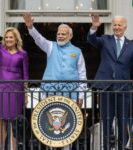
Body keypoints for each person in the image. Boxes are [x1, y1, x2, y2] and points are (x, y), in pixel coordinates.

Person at [23, 12, 87, 150]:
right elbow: (39, 39)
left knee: (68, 124)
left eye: (63, 34)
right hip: (50, 92)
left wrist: (81, 95)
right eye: (58, 33)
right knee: (49, 125)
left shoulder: (77, 51)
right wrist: (30, 27)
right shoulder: (50, 46)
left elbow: (82, 74)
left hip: (70, 94)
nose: (60, 36)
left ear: (70, 36)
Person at [87, 14, 133, 150]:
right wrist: (94, 28)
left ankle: (121, 147)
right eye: (114, 24)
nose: (116, 27)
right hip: (106, 87)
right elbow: (91, 40)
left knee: (123, 119)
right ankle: (107, 147)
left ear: (125, 27)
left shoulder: (131, 46)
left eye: (119, 25)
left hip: (124, 87)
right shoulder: (105, 40)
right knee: (106, 120)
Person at [0, 26, 29, 150]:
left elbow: (26, 75)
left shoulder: (23, 54)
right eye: (7, 37)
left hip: (16, 90)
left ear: (16, 39)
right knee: (1, 122)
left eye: (11, 37)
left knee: (13, 123)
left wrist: (25, 93)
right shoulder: (0, 50)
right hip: (0, 89)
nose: (8, 39)